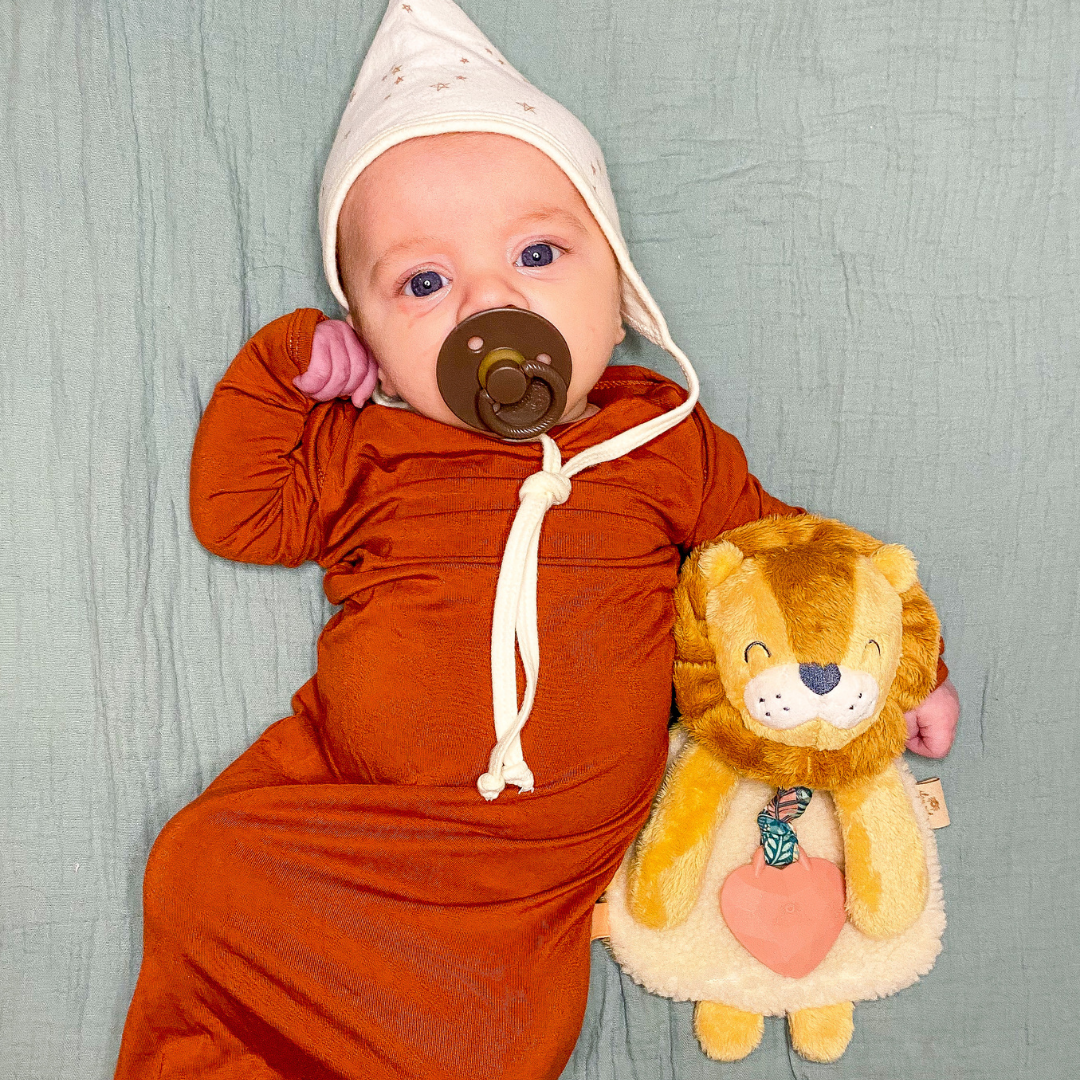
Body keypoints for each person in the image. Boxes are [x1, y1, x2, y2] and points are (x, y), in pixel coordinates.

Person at [113, 2, 958, 1078]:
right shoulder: (370, 447)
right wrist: (286, 374)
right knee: (205, 867)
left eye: (539, 251)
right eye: (422, 283)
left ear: (619, 299)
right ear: (368, 338)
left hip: (535, 869)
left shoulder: (662, 436)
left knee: (501, 1038)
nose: (488, 302)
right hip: (353, 818)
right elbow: (238, 516)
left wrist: (912, 672)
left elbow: (795, 568)